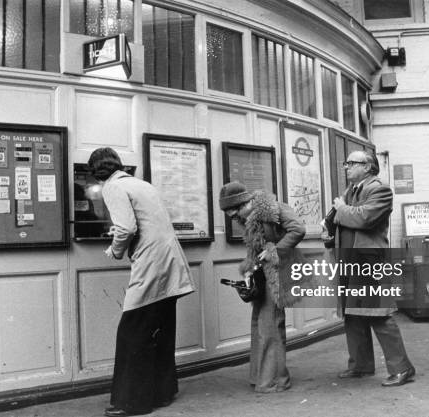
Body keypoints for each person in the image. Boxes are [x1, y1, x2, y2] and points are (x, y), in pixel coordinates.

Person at [87, 147, 195, 416]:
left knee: (132, 333)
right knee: (161, 328)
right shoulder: (142, 184)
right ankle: (162, 393)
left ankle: (133, 402)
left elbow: (126, 228)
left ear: (96, 171)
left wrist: (114, 251)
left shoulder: (112, 187)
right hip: (170, 262)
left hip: (151, 264)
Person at [331, 150, 415, 387]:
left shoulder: (380, 189)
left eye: (351, 163)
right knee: (352, 314)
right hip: (349, 260)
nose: (346, 167)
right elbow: (349, 218)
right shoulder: (352, 190)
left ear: (368, 167)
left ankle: (403, 368)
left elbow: (364, 219)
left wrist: (340, 209)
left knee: (379, 316)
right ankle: (360, 365)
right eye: (345, 162)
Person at [219, 182, 305, 393]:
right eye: (230, 212)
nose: (233, 215)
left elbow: (298, 229)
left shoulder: (274, 208)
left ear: (247, 202)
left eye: (236, 209)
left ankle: (275, 381)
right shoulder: (248, 217)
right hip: (264, 273)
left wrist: (275, 250)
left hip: (279, 271)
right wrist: (250, 269)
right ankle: (262, 377)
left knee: (271, 324)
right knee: (261, 323)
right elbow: (254, 247)